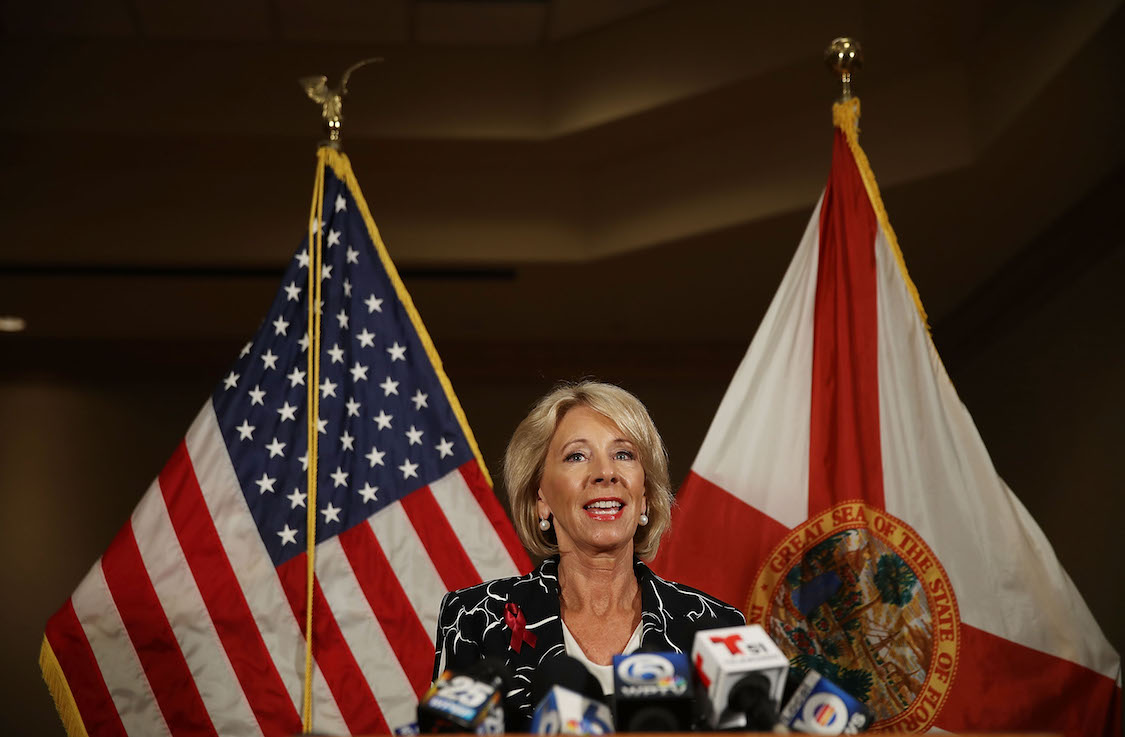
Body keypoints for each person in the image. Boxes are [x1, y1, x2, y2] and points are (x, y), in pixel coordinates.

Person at [431, 381, 744, 727]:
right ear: (542, 498)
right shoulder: (475, 619)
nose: (605, 474)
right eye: (576, 456)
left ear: (645, 496)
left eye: (623, 454)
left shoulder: (716, 629)